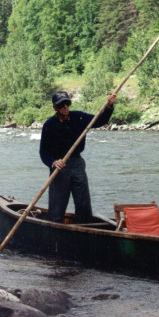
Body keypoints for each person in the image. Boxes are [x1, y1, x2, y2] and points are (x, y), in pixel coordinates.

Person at [40, 90, 116, 223]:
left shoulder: (79, 117)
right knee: (57, 205)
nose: (65, 107)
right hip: (59, 167)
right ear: (55, 107)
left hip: (77, 164)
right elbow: (43, 152)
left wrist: (109, 106)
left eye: (67, 103)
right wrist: (53, 162)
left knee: (83, 202)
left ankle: (84, 228)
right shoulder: (49, 125)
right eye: (61, 104)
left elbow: (101, 120)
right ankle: (55, 230)